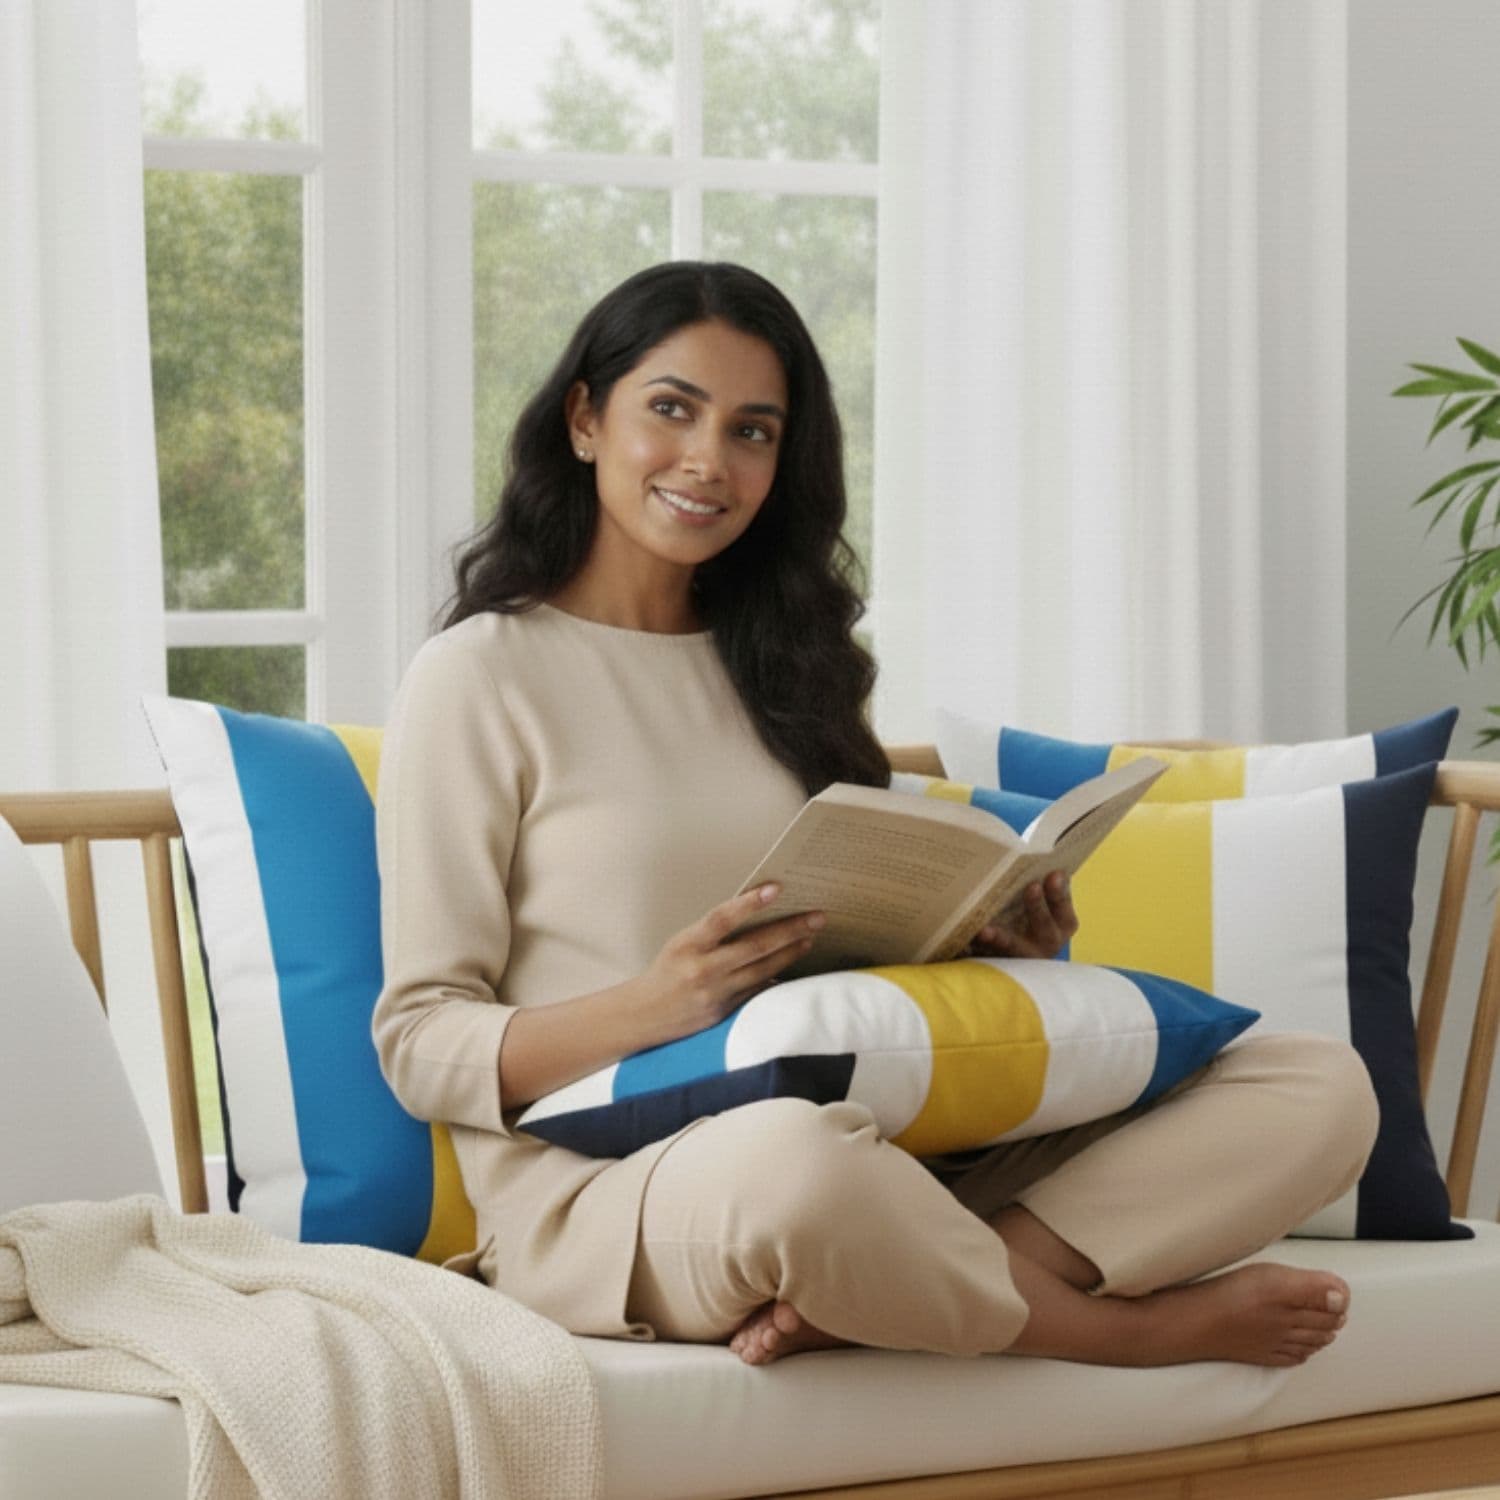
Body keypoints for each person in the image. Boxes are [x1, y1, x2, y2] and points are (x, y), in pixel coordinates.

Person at [372, 261, 1379, 1369]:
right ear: (583, 418)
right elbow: (419, 1038)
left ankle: (926, 1277)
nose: (710, 461)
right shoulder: (482, 675)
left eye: (753, 431)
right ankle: (1107, 1331)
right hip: (622, 1188)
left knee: (1315, 1083)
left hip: (890, 1141)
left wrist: (1002, 943)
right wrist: (653, 1005)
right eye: (672, 409)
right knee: (802, 1170)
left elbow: (847, 968)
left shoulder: (790, 667)